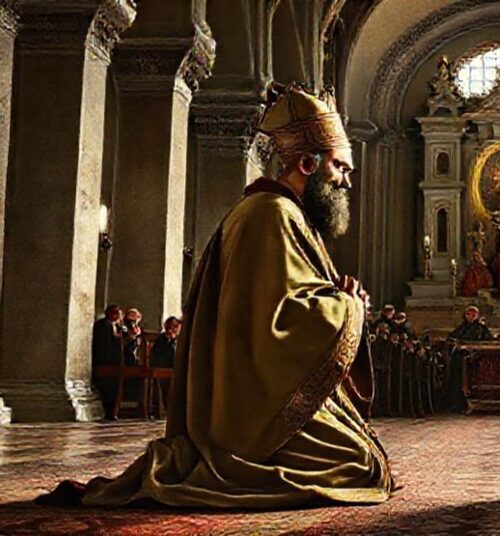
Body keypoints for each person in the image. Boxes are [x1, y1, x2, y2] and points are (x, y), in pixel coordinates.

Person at [40, 83, 392, 508]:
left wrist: (335, 294)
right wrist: (350, 306)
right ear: (306, 162)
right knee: (358, 464)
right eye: (340, 168)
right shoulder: (270, 215)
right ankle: (236, 456)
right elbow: (279, 322)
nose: (346, 182)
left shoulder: (285, 214)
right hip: (250, 407)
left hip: (259, 390)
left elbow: (289, 296)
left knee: (364, 456)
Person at [91, 304, 123, 419]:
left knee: (113, 388)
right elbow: (104, 346)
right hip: (105, 362)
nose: (120, 317)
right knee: (106, 388)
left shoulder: (116, 326)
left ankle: (111, 411)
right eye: (118, 314)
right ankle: (108, 411)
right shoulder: (102, 325)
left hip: (113, 363)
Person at [150, 316, 182, 414]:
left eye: (175, 327)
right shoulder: (162, 339)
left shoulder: (181, 338)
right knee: (165, 387)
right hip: (164, 367)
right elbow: (157, 354)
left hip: (177, 367)